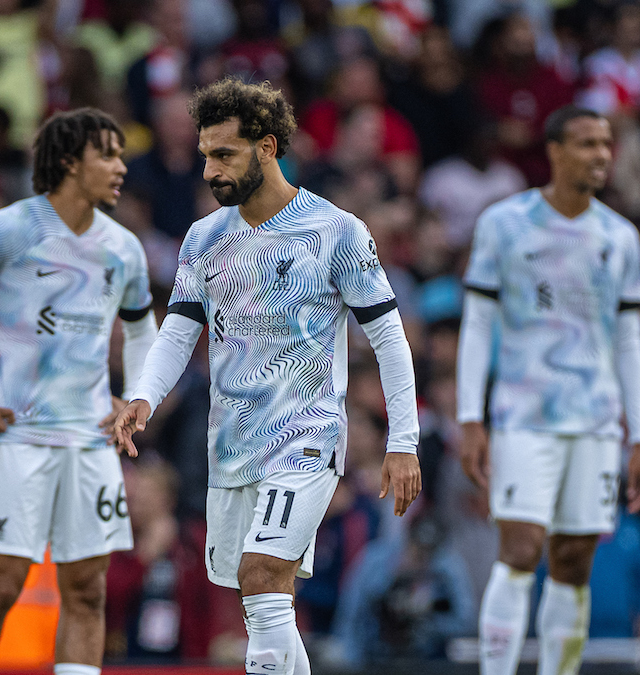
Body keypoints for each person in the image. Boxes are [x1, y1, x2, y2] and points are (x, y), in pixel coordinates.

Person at [113, 78, 422, 675]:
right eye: (205, 155)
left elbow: (388, 337)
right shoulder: (205, 238)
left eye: (223, 154)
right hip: (232, 446)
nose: (209, 170)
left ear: (267, 147)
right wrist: (143, 395)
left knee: (262, 573)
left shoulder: (336, 232)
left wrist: (402, 440)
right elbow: (179, 332)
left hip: (307, 439)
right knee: (261, 601)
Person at [0, 107, 158, 675]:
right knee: (1, 587)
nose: (121, 167)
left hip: (91, 440)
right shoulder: (7, 230)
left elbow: (145, 331)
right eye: (109, 154)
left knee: (87, 590)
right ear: (69, 162)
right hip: (17, 437)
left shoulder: (123, 247)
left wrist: (139, 395)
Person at [456, 105, 640, 675]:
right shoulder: (504, 223)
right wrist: (472, 417)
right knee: (520, 550)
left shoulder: (619, 237)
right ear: (555, 150)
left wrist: (638, 437)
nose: (601, 155)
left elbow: (628, 342)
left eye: (606, 144)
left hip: (594, 420)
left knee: (573, 561)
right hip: (523, 414)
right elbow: (476, 324)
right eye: (588, 143)